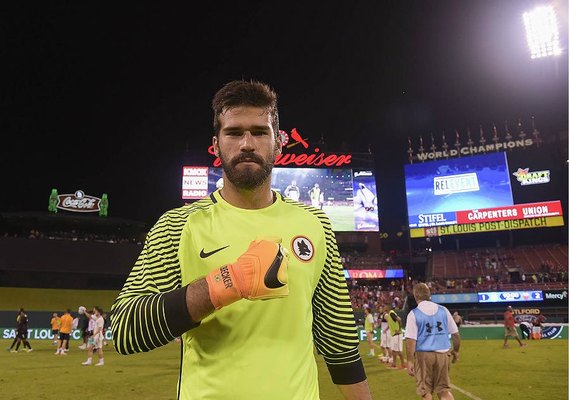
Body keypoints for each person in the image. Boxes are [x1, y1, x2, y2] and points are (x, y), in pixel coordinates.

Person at [110, 80, 371, 400]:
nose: (247, 143)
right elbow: (125, 330)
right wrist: (226, 283)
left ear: (278, 143)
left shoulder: (315, 224)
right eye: (234, 133)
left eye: (260, 132)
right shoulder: (177, 225)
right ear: (216, 144)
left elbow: (340, 344)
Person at [405, 283, 460, 400]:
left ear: (415, 296)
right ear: (429, 295)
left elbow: (411, 340)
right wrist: (456, 351)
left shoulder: (414, 314)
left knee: (426, 392)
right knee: (444, 391)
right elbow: (455, 334)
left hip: (424, 356)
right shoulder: (443, 310)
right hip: (443, 354)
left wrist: (410, 360)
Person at [386, 304, 405, 369]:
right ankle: (394, 364)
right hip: (394, 334)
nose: (383, 308)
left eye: (384, 306)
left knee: (399, 351)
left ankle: (403, 364)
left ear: (388, 307)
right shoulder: (389, 314)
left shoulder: (391, 313)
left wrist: (399, 329)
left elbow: (399, 319)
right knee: (394, 350)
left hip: (397, 335)